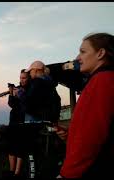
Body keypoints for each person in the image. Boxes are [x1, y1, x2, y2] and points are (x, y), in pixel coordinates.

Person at [56, 32, 114, 178]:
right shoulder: (104, 79)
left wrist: (67, 174)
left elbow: (90, 139)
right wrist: (71, 133)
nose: (77, 58)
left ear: (100, 53)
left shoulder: (102, 81)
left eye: (83, 51)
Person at [5, 69, 30, 177]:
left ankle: (17, 173)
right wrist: (12, 92)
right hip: (13, 121)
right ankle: (11, 171)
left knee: (20, 148)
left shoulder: (29, 90)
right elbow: (11, 103)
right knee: (11, 147)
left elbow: (18, 105)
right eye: (20, 78)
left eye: (24, 78)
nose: (22, 80)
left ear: (28, 78)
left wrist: (15, 93)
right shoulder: (18, 89)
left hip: (22, 121)